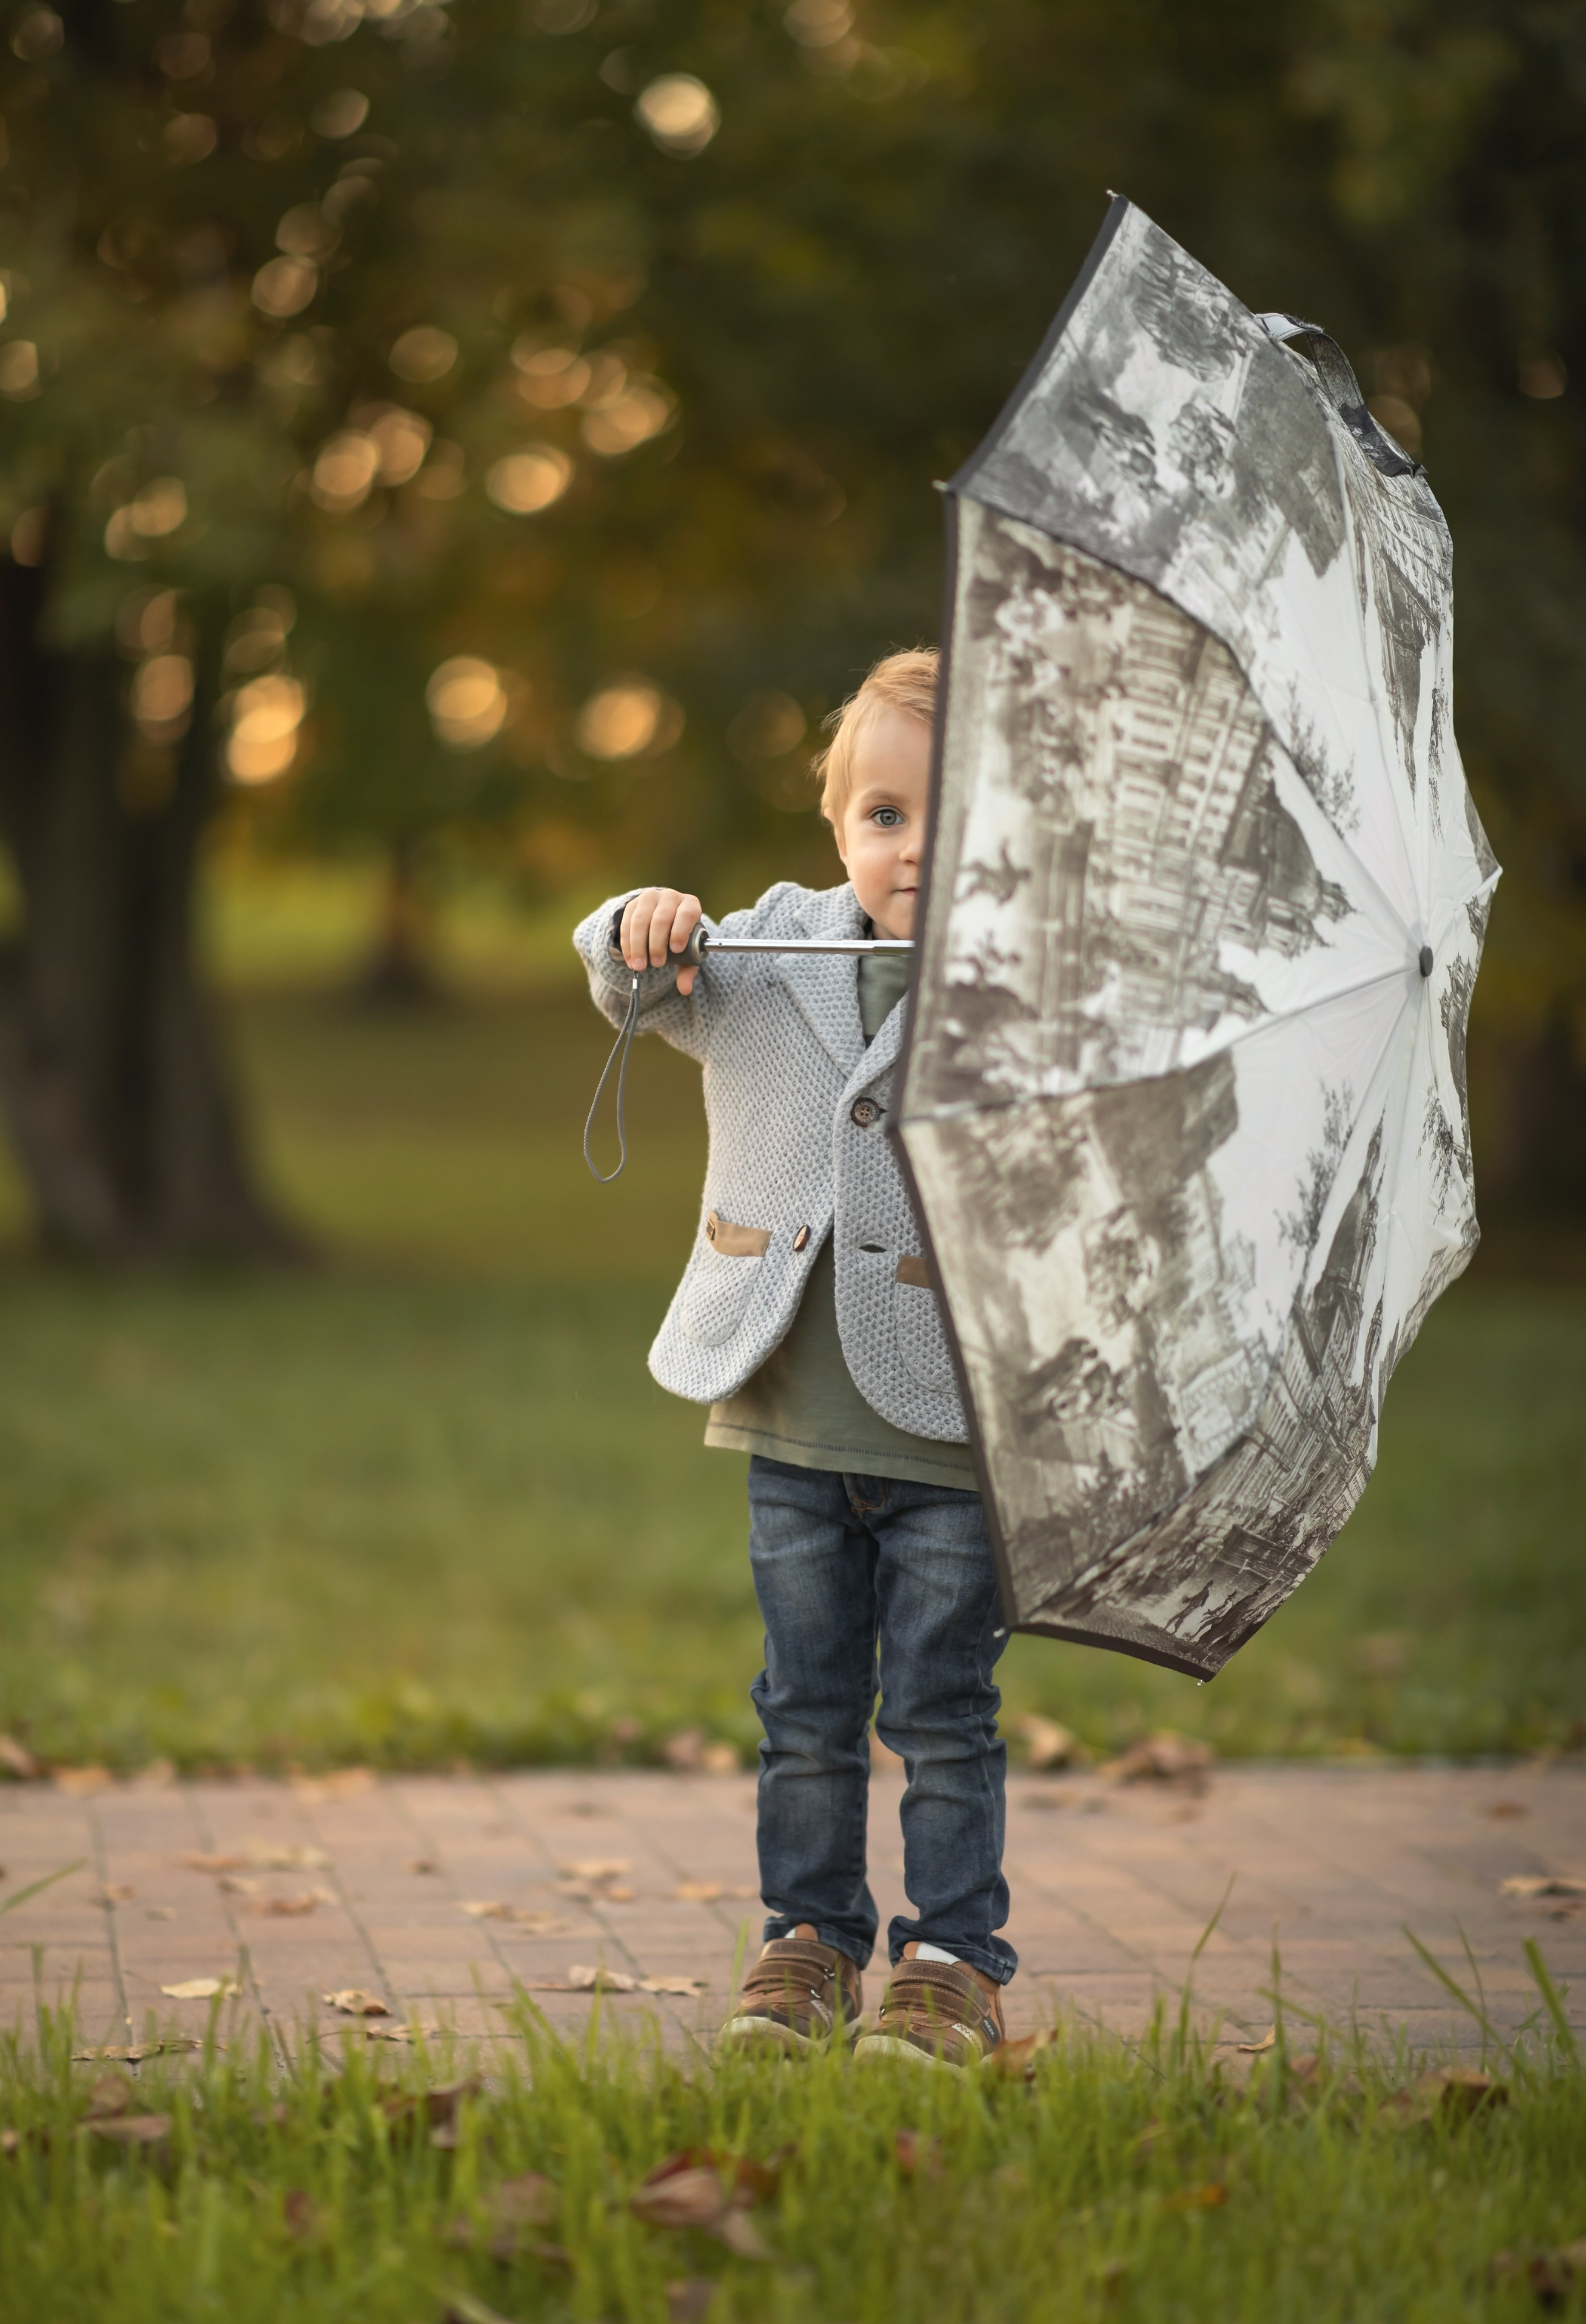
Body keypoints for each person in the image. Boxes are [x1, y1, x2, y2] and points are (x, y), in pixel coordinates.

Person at [574, 648, 1016, 2070]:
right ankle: (808, 1938)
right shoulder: (769, 947)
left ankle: (950, 1956)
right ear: (837, 827)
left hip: (954, 1431)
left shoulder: (1023, 993)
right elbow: (629, 987)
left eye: (952, 814)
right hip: (787, 1418)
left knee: (942, 1712)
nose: (911, 845)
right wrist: (633, 926)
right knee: (804, 1707)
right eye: (882, 813)